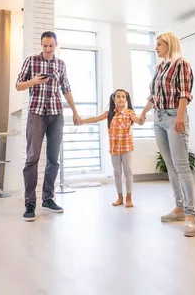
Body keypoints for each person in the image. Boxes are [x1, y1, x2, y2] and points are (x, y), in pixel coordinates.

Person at [16, 31, 82, 222]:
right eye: (44, 45)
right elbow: (18, 85)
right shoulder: (31, 61)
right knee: (32, 158)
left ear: (56, 45)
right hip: (36, 114)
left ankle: (48, 198)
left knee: (53, 159)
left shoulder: (60, 64)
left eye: (50, 46)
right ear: (41, 44)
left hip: (56, 115)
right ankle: (30, 203)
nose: (47, 49)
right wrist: (32, 82)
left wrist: (75, 112)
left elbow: (66, 89)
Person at [139, 32, 195, 237]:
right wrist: (144, 113)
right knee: (171, 166)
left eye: (159, 44)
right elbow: (154, 96)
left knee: (181, 166)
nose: (156, 48)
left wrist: (180, 117)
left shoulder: (181, 64)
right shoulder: (160, 68)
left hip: (174, 117)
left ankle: (190, 216)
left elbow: (184, 93)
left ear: (169, 44)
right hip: (159, 118)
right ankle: (179, 208)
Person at [79, 89, 144, 208]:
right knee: (117, 172)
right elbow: (96, 119)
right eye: (118, 96)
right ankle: (120, 198)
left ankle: (129, 198)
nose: (120, 99)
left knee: (127, 171)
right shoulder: (110, 113)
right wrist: (82, 121)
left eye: (123, 97)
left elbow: (138, 121)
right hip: (114, 148)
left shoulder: (129, 113)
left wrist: (142, 117)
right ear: (114, 99)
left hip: (126, 147)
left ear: (126, 99)